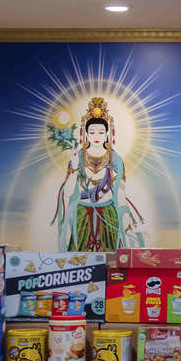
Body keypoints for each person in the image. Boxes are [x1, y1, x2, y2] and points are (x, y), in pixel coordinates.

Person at [53, 96, 144, 251]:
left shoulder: (115, 159)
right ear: (86, 134)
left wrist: (126, 219)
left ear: (107, 133)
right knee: (79, 258)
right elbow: (68, 193)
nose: (96, 136)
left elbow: (120, 193)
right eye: (92, 132)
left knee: (110, 258)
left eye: (101, 132)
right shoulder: (78, 157)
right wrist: (74, 168)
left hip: (108, 214)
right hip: (82, 214)